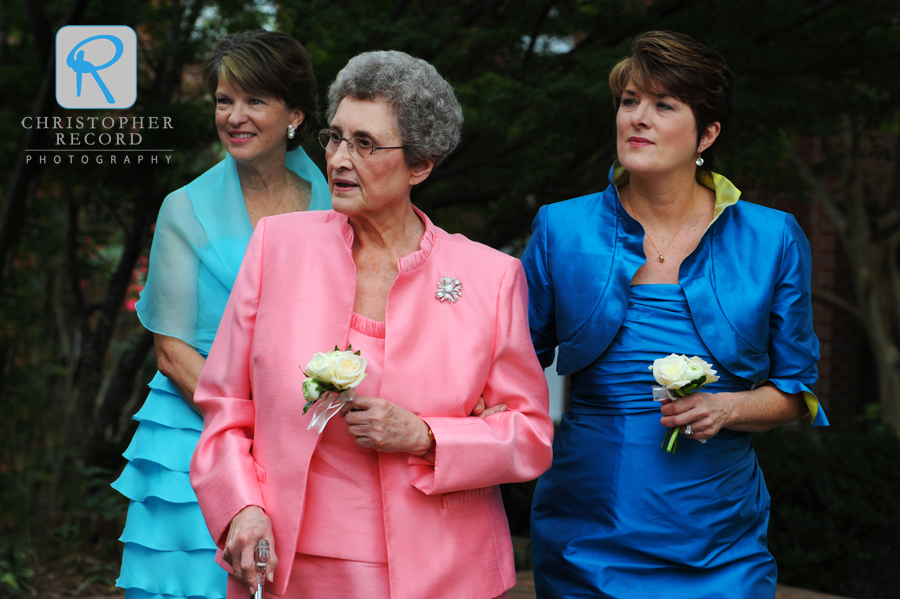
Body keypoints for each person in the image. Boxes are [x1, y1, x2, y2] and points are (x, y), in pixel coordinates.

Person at [189, 50, 554, 599]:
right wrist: (239, 508)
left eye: (365, 143)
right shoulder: (277, 247)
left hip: (442, 569)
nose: (339, 158)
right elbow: (225, 406)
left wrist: (427, 436)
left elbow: (528, 435)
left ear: (421, 164)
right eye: (335, 137)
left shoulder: (490, 277)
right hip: (286, 561)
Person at [523, 31, 829, 599]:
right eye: (629, 101)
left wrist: (726, 406)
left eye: (664, 105)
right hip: (588, 525)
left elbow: (796, 391)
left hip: (718, 535)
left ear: (707, 133)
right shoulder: (559, 228)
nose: (638, 118)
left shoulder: (773, 237)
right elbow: (511, 366)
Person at [111, 30, 330, 599]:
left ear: (294, 115)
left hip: (307, 428)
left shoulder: (335, 200)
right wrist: (248, 421)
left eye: (254, 101)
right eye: (223, 101)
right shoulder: (183, 207)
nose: (235, 116)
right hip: (196, 424)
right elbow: (171, 349)